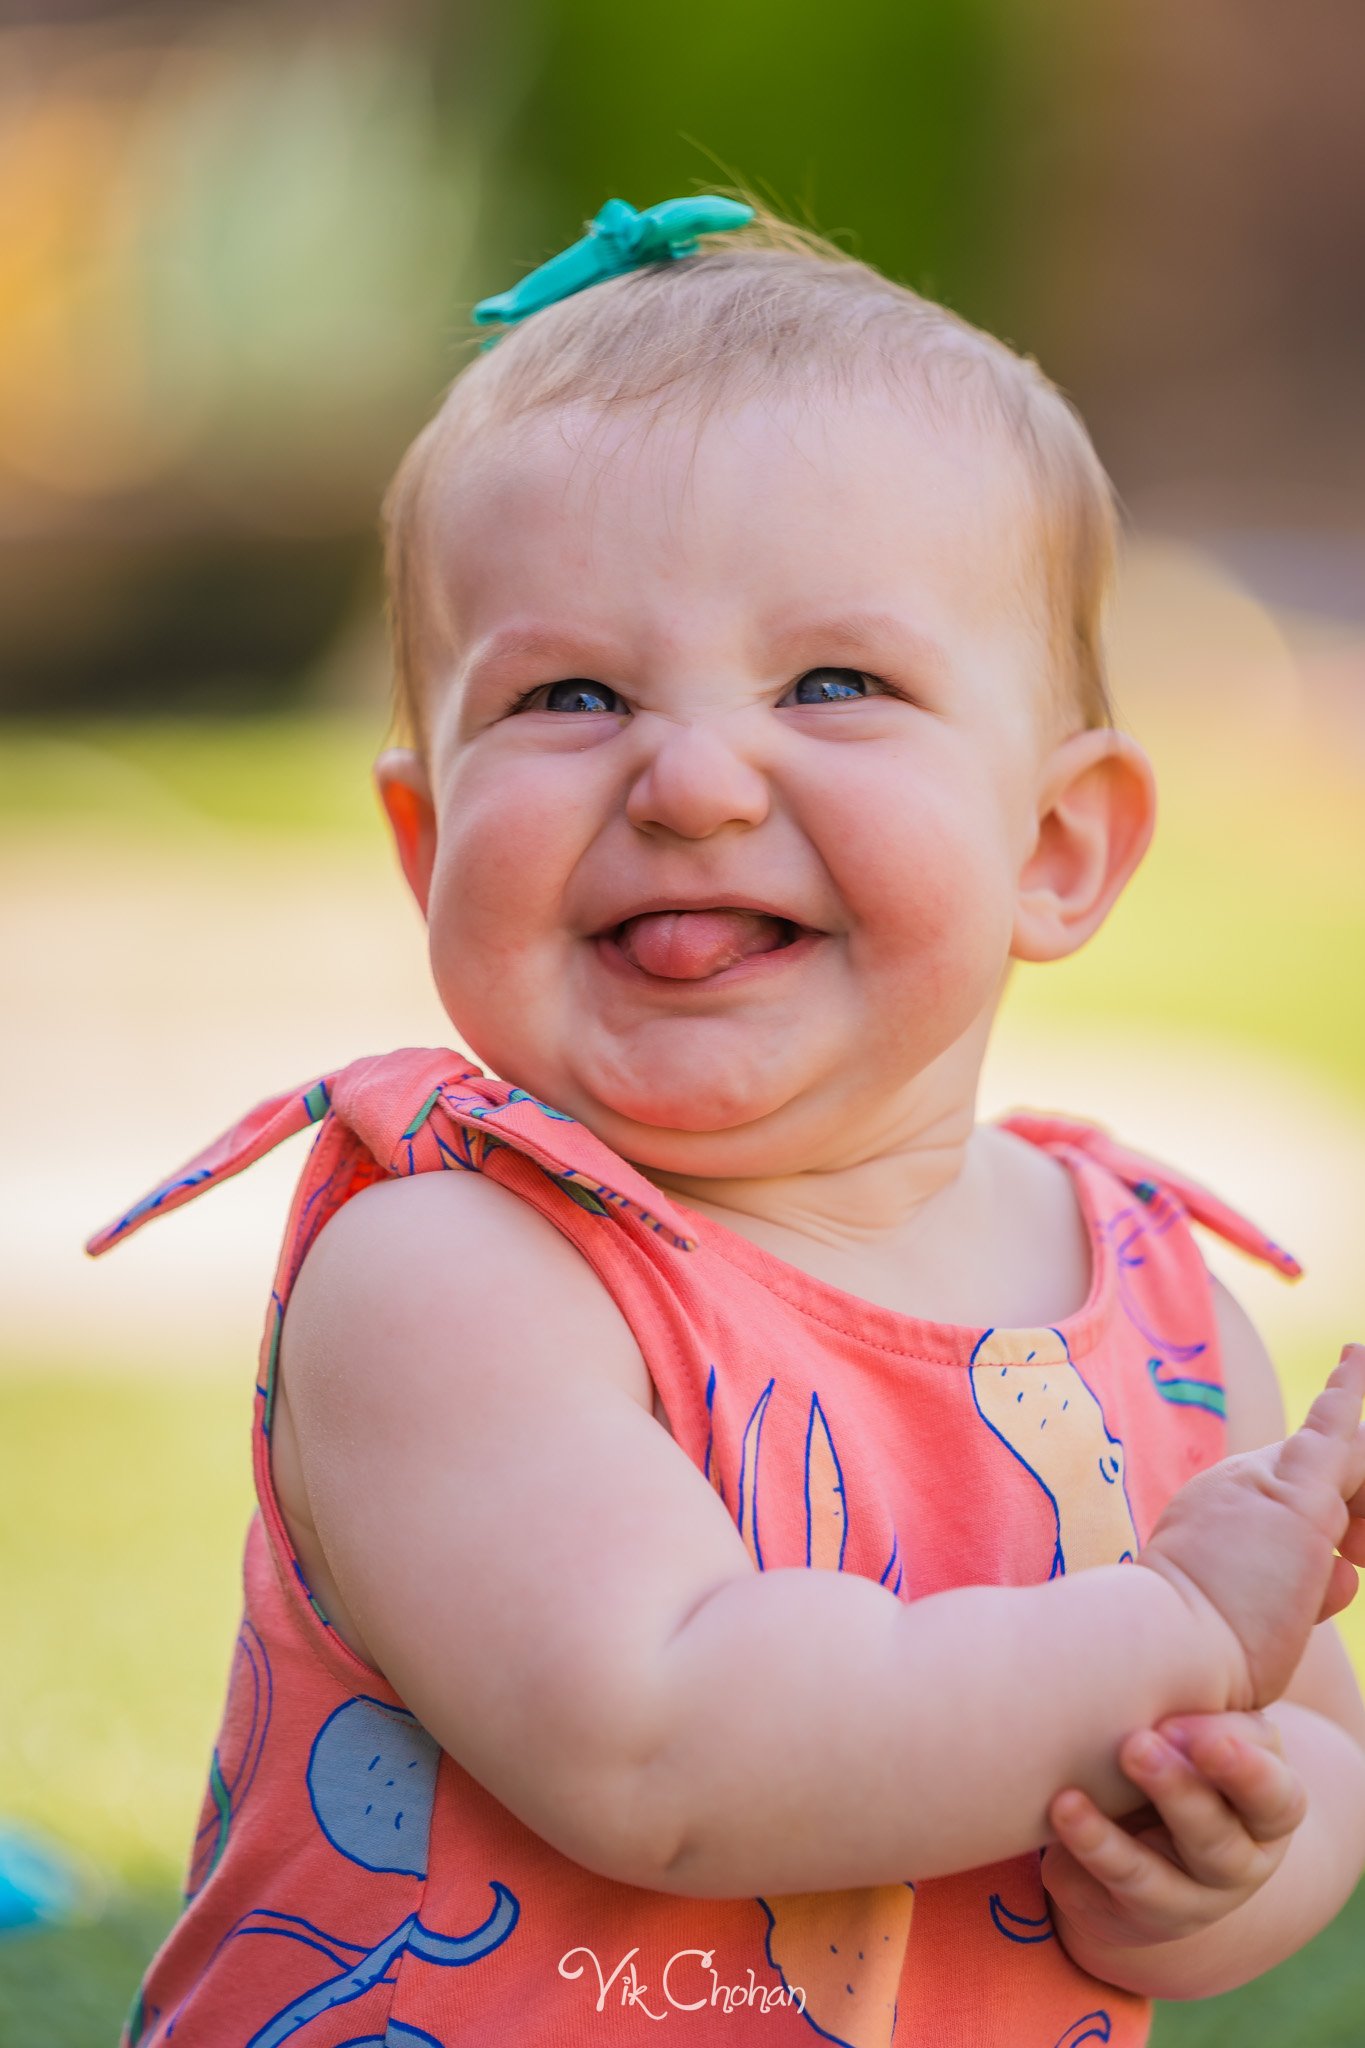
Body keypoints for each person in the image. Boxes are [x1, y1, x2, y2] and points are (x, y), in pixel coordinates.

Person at [88, 196, 1365, 2048]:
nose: (688, 779)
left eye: (832, 685)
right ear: (430, 845)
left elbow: (1298, 1748)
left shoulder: (1158, 1319)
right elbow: (664, 1742)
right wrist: (1169, 1636)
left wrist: (1216, 1861)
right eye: (568, 694)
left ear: (1053, 845)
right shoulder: (453, 1273)